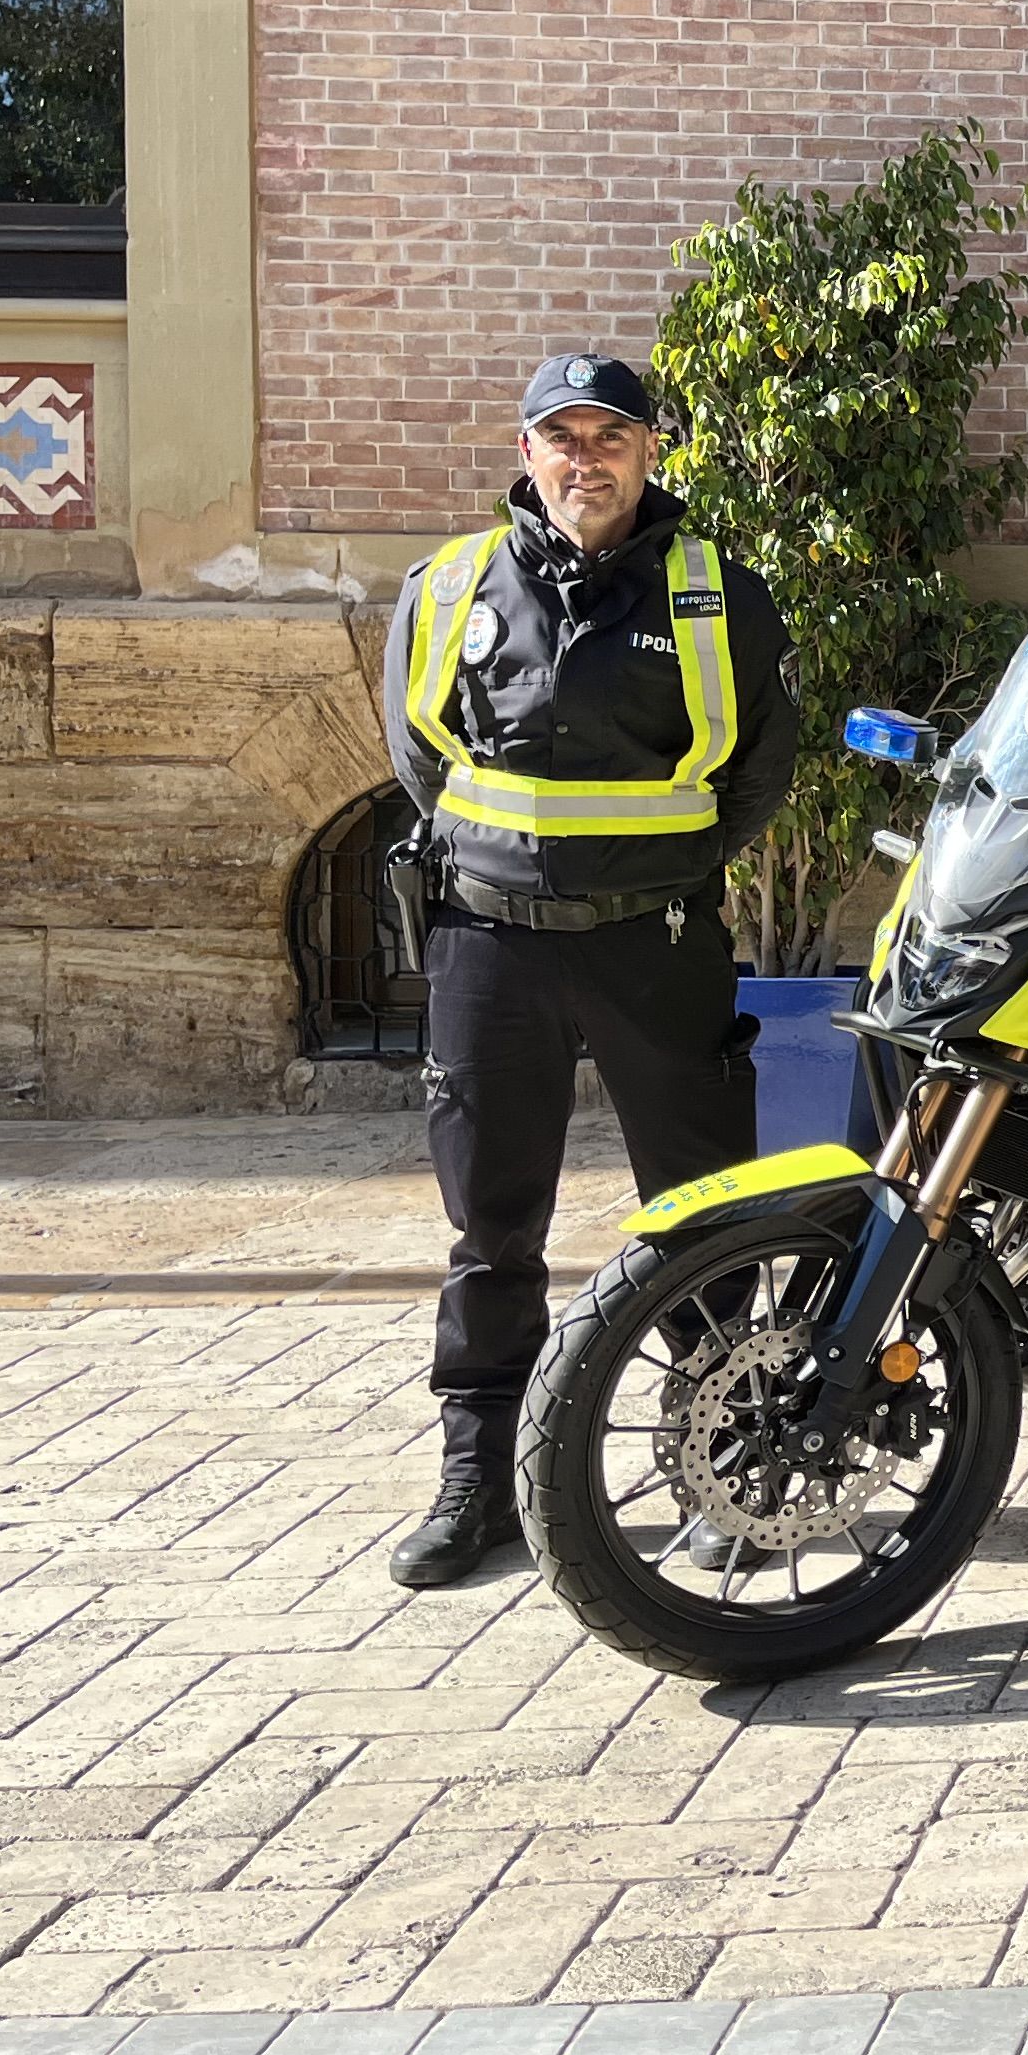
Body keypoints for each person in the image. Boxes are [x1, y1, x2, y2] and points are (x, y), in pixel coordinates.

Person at [377, 354, 799, 1587]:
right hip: (488, 946)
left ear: (651, 453)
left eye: (610, 436)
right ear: (527, 454)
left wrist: (648, 870)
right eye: (561, 437)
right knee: (491, 1231)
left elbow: (757, 770)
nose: (585, 459)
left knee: (705, 1218)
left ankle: (720, 1466)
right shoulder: (450, 585)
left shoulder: (721, 595)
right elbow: (419, 755)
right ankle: (478, 1479)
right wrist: (523, 864)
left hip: (654, 944)